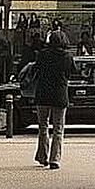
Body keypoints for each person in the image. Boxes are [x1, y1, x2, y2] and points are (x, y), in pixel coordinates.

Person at [34, 31, 75, 170]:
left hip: (43, 94)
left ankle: (42, 156)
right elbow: (71, 73)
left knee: (43, 127)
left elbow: (36, 70)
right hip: (59, 95)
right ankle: (55, 159)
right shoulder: (67, 56)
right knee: (58, 128)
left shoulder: (42, 54)